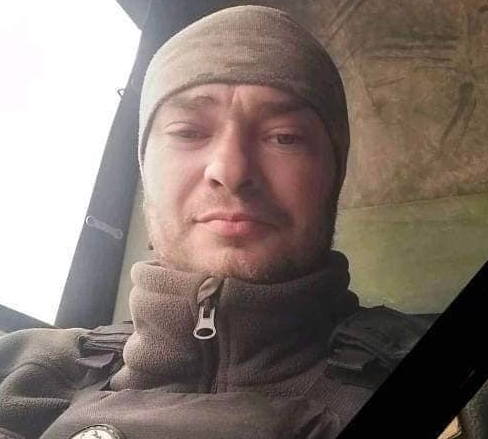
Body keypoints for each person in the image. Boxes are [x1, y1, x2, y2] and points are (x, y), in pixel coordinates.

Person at [0, 5, 438, 439]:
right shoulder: (23, 364)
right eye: (188, 132)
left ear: (333, 176)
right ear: (146, 173)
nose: (230, 170)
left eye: (285, 137)